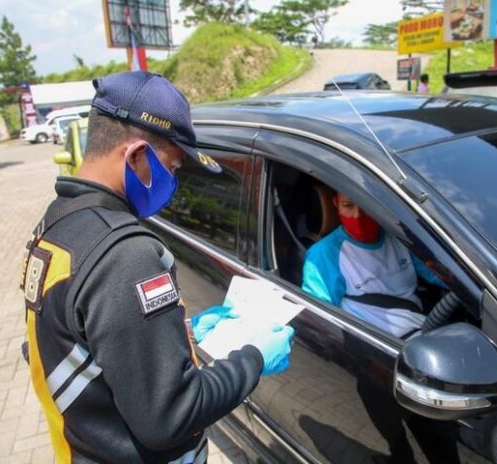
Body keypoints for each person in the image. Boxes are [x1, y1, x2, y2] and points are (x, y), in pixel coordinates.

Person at [20, 71, 294, 463]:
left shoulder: (58, 222)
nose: (175, 179)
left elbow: (53, 344)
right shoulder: (126, 253)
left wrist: (173, 337)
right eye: (174, 167)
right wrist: (253, 358)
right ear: (135, 156)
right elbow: (169, 417)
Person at [302, 192, 443, 337]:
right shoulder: (325, 254)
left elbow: (438, 274)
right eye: (348, 206)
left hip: (422, 327)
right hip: (385, 346)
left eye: (365, 205)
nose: (357, 216)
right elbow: (317, 315)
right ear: (336, 204)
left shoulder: (399, 237)